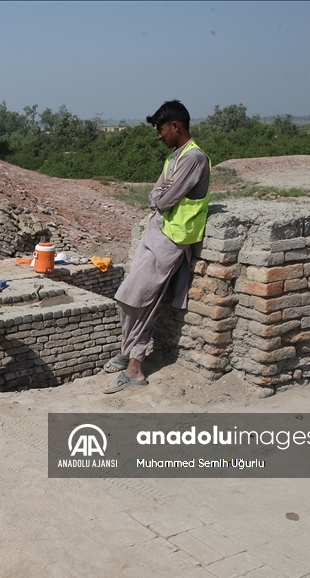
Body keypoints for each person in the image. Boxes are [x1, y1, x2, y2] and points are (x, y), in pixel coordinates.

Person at [104, 100, 210, 394]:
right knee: (128, 298)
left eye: (161, 129)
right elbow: (156, 195)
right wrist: (160, 195)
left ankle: (134, 367)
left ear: (176, 126)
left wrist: (161, 196)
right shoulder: (175, 158)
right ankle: (129, 353)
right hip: (157, 232)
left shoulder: (194, 159)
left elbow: (162, 200)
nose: (158, 136)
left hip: (173, 239)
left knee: (141, 301)